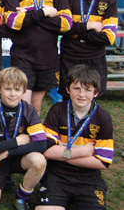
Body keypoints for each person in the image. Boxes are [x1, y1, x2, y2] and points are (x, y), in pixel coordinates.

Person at [4, 0, 72, 115]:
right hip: (23, 57)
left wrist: (28, 14)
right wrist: (45, 12)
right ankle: (20, 138)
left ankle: (33, 138)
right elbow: (13, 22)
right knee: (23, 104)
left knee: (36, 106)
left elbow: (66, 24)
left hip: (47, 58)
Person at [36, 65, 113, 209]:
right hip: (57, 176)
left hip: (89, 180)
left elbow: (103, 162)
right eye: (76, 88)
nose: (81, 94)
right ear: (67, 89)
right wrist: (83, 152)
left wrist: (62, 153)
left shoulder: (103, 119)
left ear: (96, 92)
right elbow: (46, 151)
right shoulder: (57, 111)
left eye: (88, 90)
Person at [0, 67, 47, 210]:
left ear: (24, 91)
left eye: (17, 89)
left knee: (39, 161)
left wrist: (9, 151)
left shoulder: (29, 110)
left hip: (15, 157)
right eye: (8, 89)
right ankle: (1, 179)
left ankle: (21, 197)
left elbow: (41, 144)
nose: (13, 94)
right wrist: (17, 141)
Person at [60, 0, 117, 99]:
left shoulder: (109, 1)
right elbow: (62, 27)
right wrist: (89, 26)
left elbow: (108, 37)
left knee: (92, 96)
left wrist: (76, 32)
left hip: (95, 57)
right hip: (70, 56)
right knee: (69, 96)